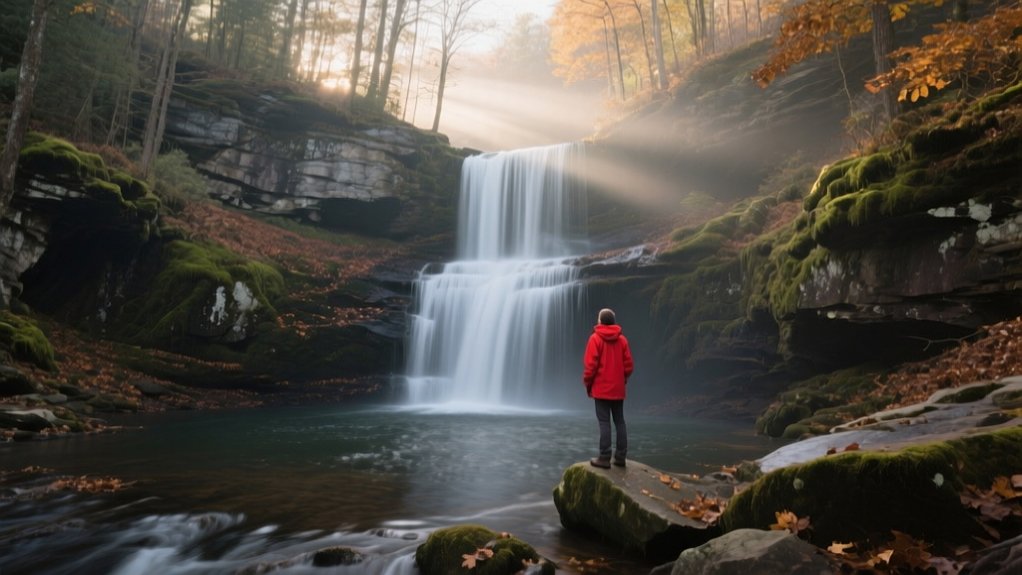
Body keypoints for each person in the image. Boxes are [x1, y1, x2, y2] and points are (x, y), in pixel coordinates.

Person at [582, 308, 634, 469]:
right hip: (618, 389)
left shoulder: (595, 339)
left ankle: (604, 457)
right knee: (620, 421)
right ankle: (620, 457)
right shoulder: (622, 340)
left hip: (601, 389)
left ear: (600, 321)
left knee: (604, 422)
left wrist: (587, 382)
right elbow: (629, 366)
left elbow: (590, 366)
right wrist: (622, 379)